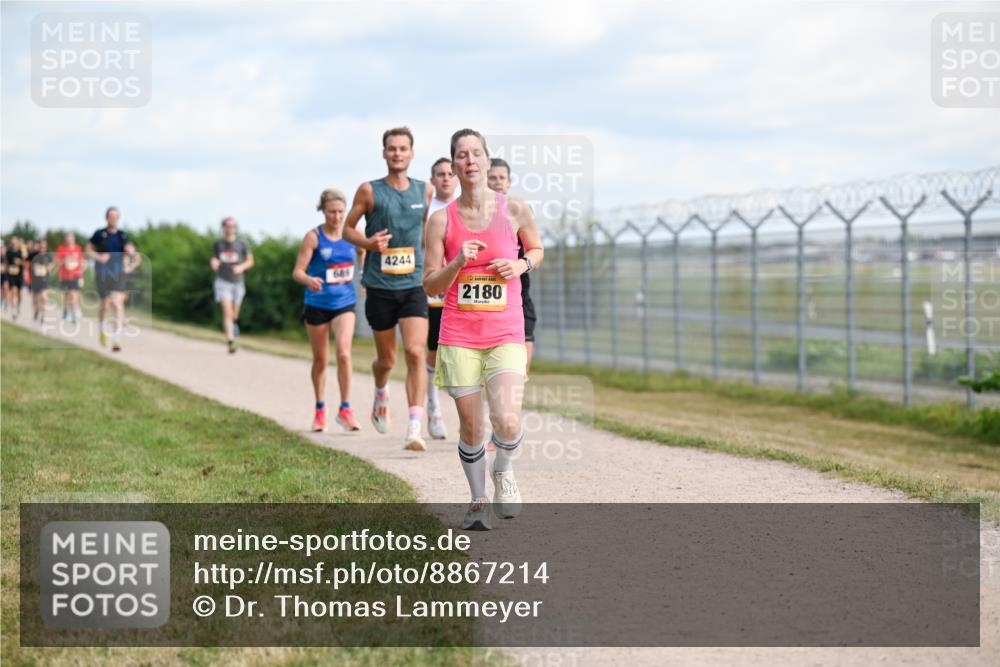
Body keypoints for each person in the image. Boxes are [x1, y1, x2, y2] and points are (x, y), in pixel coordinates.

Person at [423, 129, 543, 531]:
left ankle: (503, 471)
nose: (470, 160)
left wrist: (521, 265)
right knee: (472, 426)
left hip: (505, 331)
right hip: (459, 335)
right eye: (462, 155)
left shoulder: (515, 210)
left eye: (477, 153)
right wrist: (457, 262)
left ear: (488, 161)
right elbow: (430, 284)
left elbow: (538, 249)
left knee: (507, 420)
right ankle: (477, 501)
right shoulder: (442, 219)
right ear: (454, 166)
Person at [343, 127, 433, 451]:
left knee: (414, 352)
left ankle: (413, 427)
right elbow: (346, 229)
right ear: (384, 153)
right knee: (387, 360)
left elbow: (425, 233)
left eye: (403, 148)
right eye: (392, 148)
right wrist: (368, 243)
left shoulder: (425, 191)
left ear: (411, 153)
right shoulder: (369, 191)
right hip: (380, 287)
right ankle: (381, 391)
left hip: (413, 284)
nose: (397, 153)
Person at [293, 189, 363, 433]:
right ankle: (320, 409)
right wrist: (309, 279)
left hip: (345, 303)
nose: (337, 216)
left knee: (344, 353)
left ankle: (345, 409)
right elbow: (298, 271)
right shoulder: (313, 237)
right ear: (323, 211)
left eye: (341, 212)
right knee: (321, 360)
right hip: (317, 304)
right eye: (332, 212)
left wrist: (364, 277)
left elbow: (363, 252)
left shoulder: (352, 235)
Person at [488, 158, 538, 372]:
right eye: (492, 177)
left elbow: (536, 253)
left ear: (509, 182)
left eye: (502, 178)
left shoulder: (520, 212)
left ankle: (512, 404)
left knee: (521, 368)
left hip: (518, 297)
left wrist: (521, 264)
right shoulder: (472, 216)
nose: (497, 182)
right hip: (486, 300)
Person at [425, 157, 458, 440]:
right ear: (432, 180)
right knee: (434, 352)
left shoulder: (463, 208)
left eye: (450, 173)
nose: (446, 178)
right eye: (440, 174)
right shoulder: (427, 211)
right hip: (434, 290)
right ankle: (433, 409)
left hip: (461, 289)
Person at [86, 206, 139, 352]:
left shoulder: (123, 235)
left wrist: (131, 254)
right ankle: (103, 329)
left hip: (118, 273)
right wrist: (98, 257)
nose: (113, 218)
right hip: (103, 273)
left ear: (118, 218)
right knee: (104, 305)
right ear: (107, 218)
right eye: (111, 216)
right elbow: (88, 250)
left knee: (117, 303)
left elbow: (131, 251)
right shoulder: (99, 234)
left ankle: (116, 339)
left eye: (116, 216)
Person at [210, 217, 254, 354]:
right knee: (227, 312)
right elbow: (214, 258)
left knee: (234, 314)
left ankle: (234, 324)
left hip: (238, 283)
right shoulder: (218, 244)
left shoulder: (242, 244)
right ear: (223, 227)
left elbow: (250, 261)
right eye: (227, 225)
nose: (230, 228)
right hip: (222, 281)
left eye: (233, 225)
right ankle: (230, 341)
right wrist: (213, 262)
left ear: (235, 228)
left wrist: (241, 267)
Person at [55, 232, 85, 322]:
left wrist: (81, 274)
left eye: (71, 238)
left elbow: (81, 262)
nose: (69, 240)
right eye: (68, 238)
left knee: (74, 293)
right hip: (65, 275)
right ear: (65, 239)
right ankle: (67, 310)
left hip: (76, 275)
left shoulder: (78, 249)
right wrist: (64, 260)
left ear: (74, 239)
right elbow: (56, 262)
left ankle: (75, 311)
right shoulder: (61, 249)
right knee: (67, 295)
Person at [27, 238, 53, 323]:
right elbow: (26, 263)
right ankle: (36, 311)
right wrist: (32, 266)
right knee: (35, 299)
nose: (42, 245)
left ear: (46, 245)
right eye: (41, 244)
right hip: (35, 280)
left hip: (44, 279)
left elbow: (51, 266)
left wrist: (48, 267)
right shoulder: (33, 254)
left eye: (44, 244)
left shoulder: (48, 256)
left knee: (44, 297)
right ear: (39, 245)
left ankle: (43, 316)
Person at [5, 237, 25, 319]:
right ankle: (13, 311)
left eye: (15, 241)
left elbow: (26, 263)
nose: (14, 243)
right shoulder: (8, 252)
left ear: (17, 242)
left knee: (19, 294)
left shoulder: (21, 252)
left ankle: (18, 306)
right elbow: (6, 263)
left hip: (19, 276)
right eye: (12, 241)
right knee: (13, 291)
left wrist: (20, 262)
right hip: (11, 275)